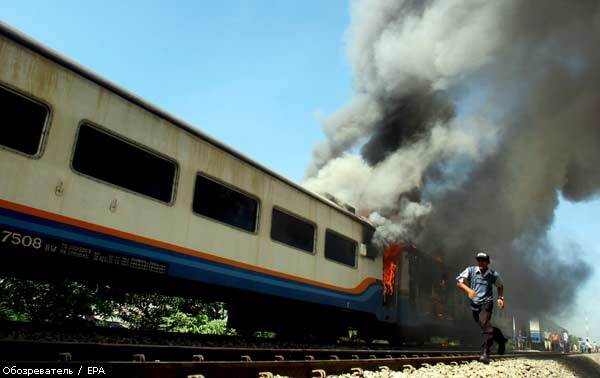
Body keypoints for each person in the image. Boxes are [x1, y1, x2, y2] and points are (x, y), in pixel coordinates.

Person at [456, 251, 508, 363]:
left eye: (483, 260)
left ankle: (486, 353)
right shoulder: (470, 270)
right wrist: (469, 290)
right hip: (475, 304)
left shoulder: (493, 274)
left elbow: (500, 286)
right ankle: (501, 340)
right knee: (486, 326)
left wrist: (500, 298)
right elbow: (459, 282)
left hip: (486, 303)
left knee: (486, 326)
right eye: (479, 259)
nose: (480, 262)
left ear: (487, 262)